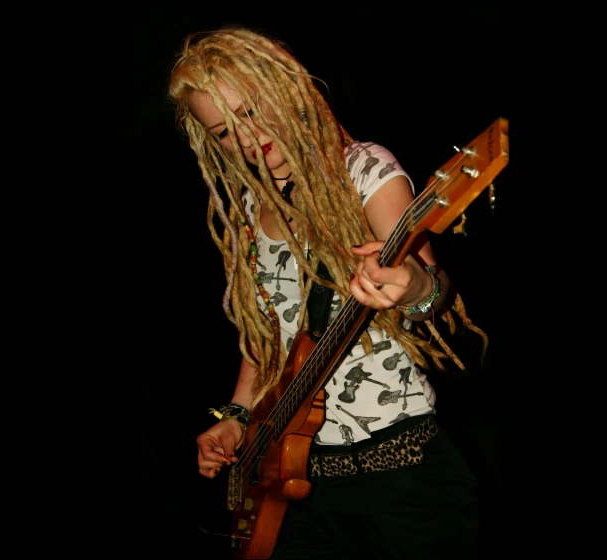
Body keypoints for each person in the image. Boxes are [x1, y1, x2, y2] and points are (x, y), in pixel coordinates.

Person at [167, 27, 490, 559]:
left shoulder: (364, 170)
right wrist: (235, 418)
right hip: (295, 492)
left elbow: (439, 307)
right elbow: (264, 341)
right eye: (225, 132)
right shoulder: (248, 212)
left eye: (251, 110)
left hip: (400, 473)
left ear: (284, 86)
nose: (247, 139)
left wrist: (415, 288)